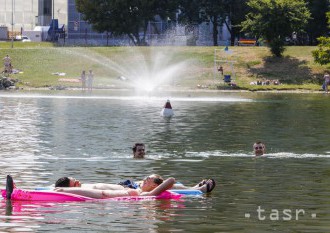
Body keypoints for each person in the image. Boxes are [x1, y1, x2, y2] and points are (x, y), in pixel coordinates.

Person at [54, 175, 215, 199]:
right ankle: (197, 190)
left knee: (102, 193)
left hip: (111, 195)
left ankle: (196, 190)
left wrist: (66, 190)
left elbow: (170, 182)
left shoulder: (142, 194)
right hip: (113, 194)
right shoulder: (141, 194)